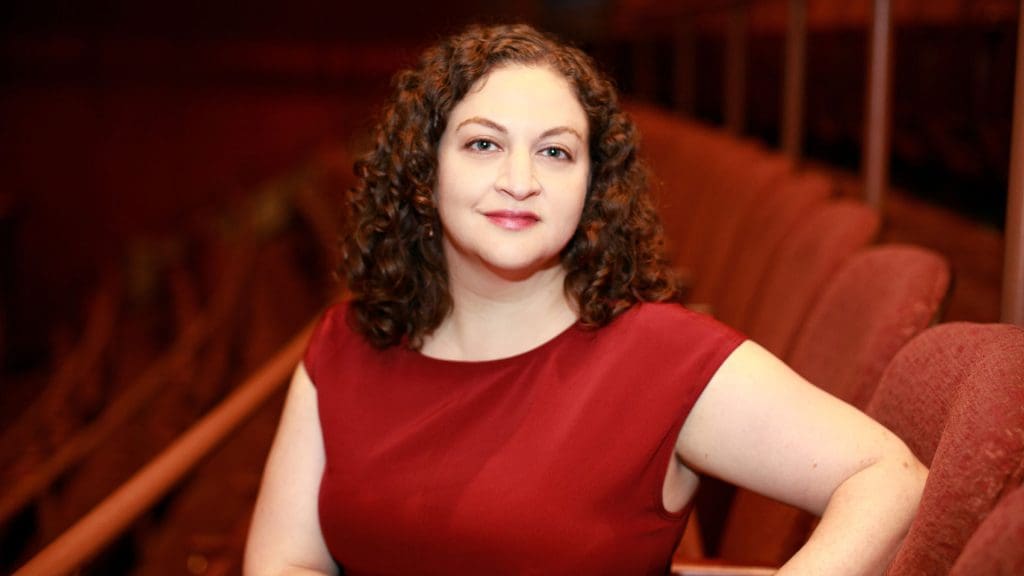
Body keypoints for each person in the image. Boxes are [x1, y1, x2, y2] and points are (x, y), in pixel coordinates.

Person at [245, 23, 926, 576]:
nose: (520, 180)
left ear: (593, 188)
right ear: (424, 174)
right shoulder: (346, 343)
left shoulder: (662, 357)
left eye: (556, 153)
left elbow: (889, 475)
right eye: (484, 144)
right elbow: (285, 559)